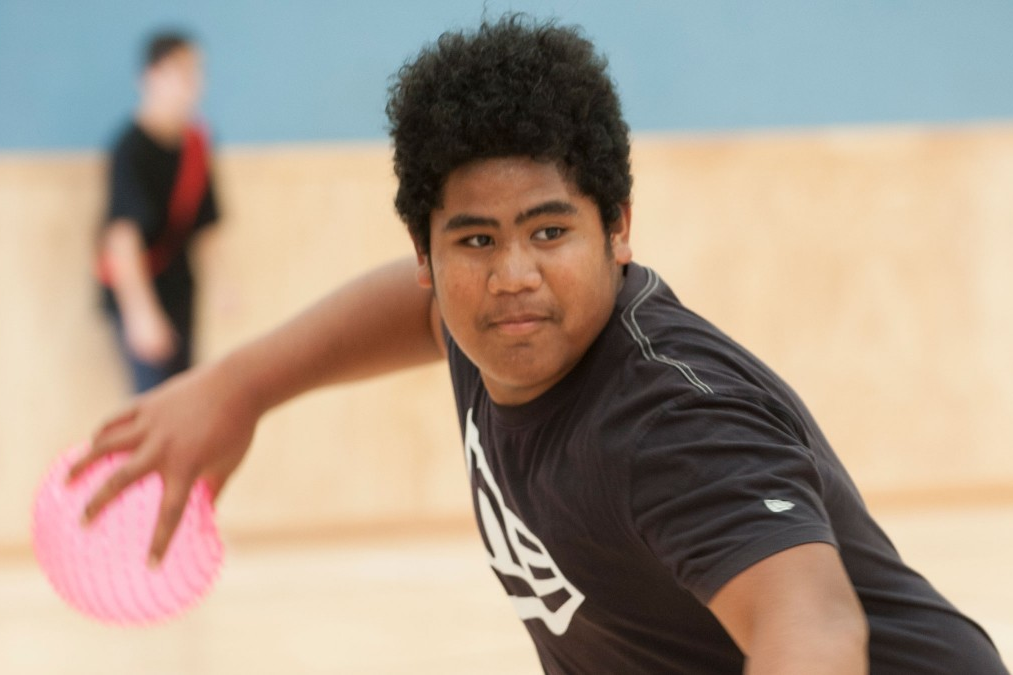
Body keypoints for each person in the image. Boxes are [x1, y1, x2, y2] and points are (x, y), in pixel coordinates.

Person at [71, 15, 1007, 674]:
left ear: (618, 228)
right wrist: (239, 385)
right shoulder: (484, 327)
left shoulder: (670, 416)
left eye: (549, 232)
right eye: (474, 239)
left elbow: (813, 626)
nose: (512, 273)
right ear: (428, 255)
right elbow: (413, 308)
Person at [97, 30, 219, 393]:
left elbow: (207, 225)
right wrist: (140, 313)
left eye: (195, 71)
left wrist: (225, 283)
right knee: (153, 400)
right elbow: (122, 237)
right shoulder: (130, 148)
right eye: (179, 71)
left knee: (185, 394)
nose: (191, 82)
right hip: (142, 290)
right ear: (150, 77)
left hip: (181, 289)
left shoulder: (195, 144)